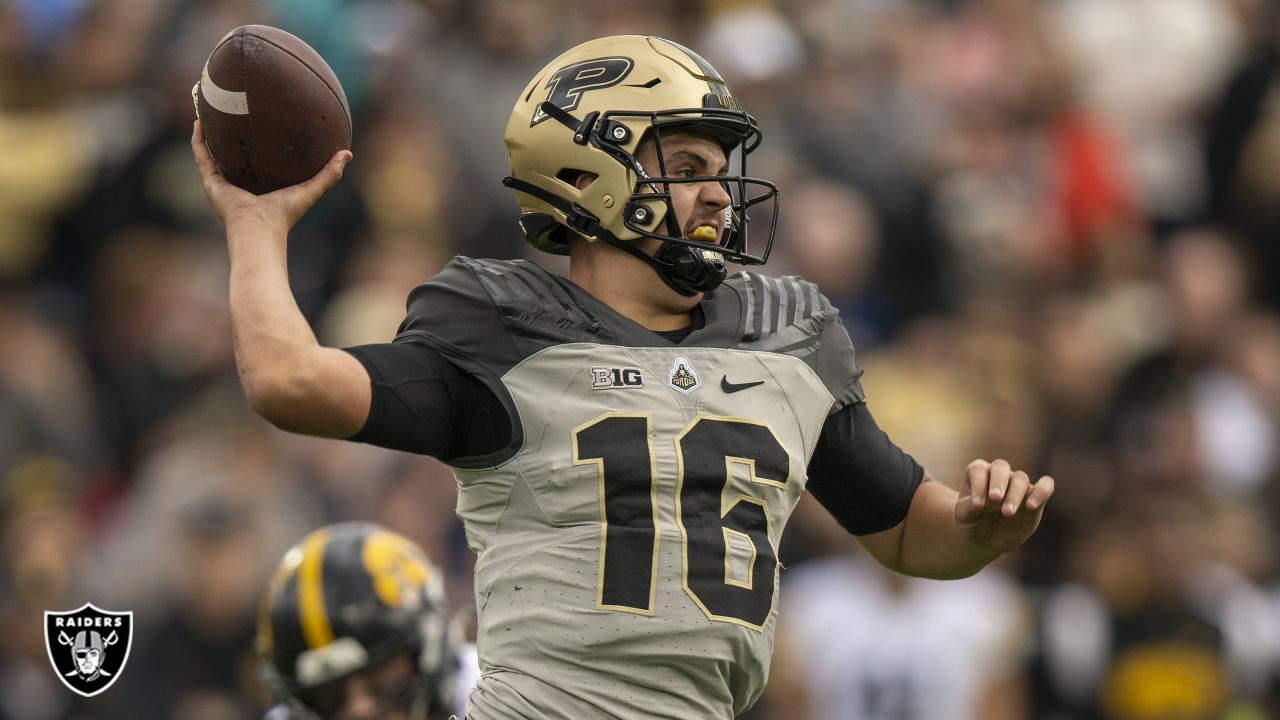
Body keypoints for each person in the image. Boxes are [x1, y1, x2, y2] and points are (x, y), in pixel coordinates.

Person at [193, 34, 1055, 720]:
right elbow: (288, 382)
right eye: (686, 170)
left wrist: (980, 527)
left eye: (719, 172)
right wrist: (256, 226)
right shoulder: (506, 331)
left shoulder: (789, 335)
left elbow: (908, 532)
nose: (719, 196)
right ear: (586, 177)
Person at [258, 522, 462, 720]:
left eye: (378, 677)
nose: (360, 710)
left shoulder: (489, 698)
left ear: (429, 645)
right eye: (331, 696)